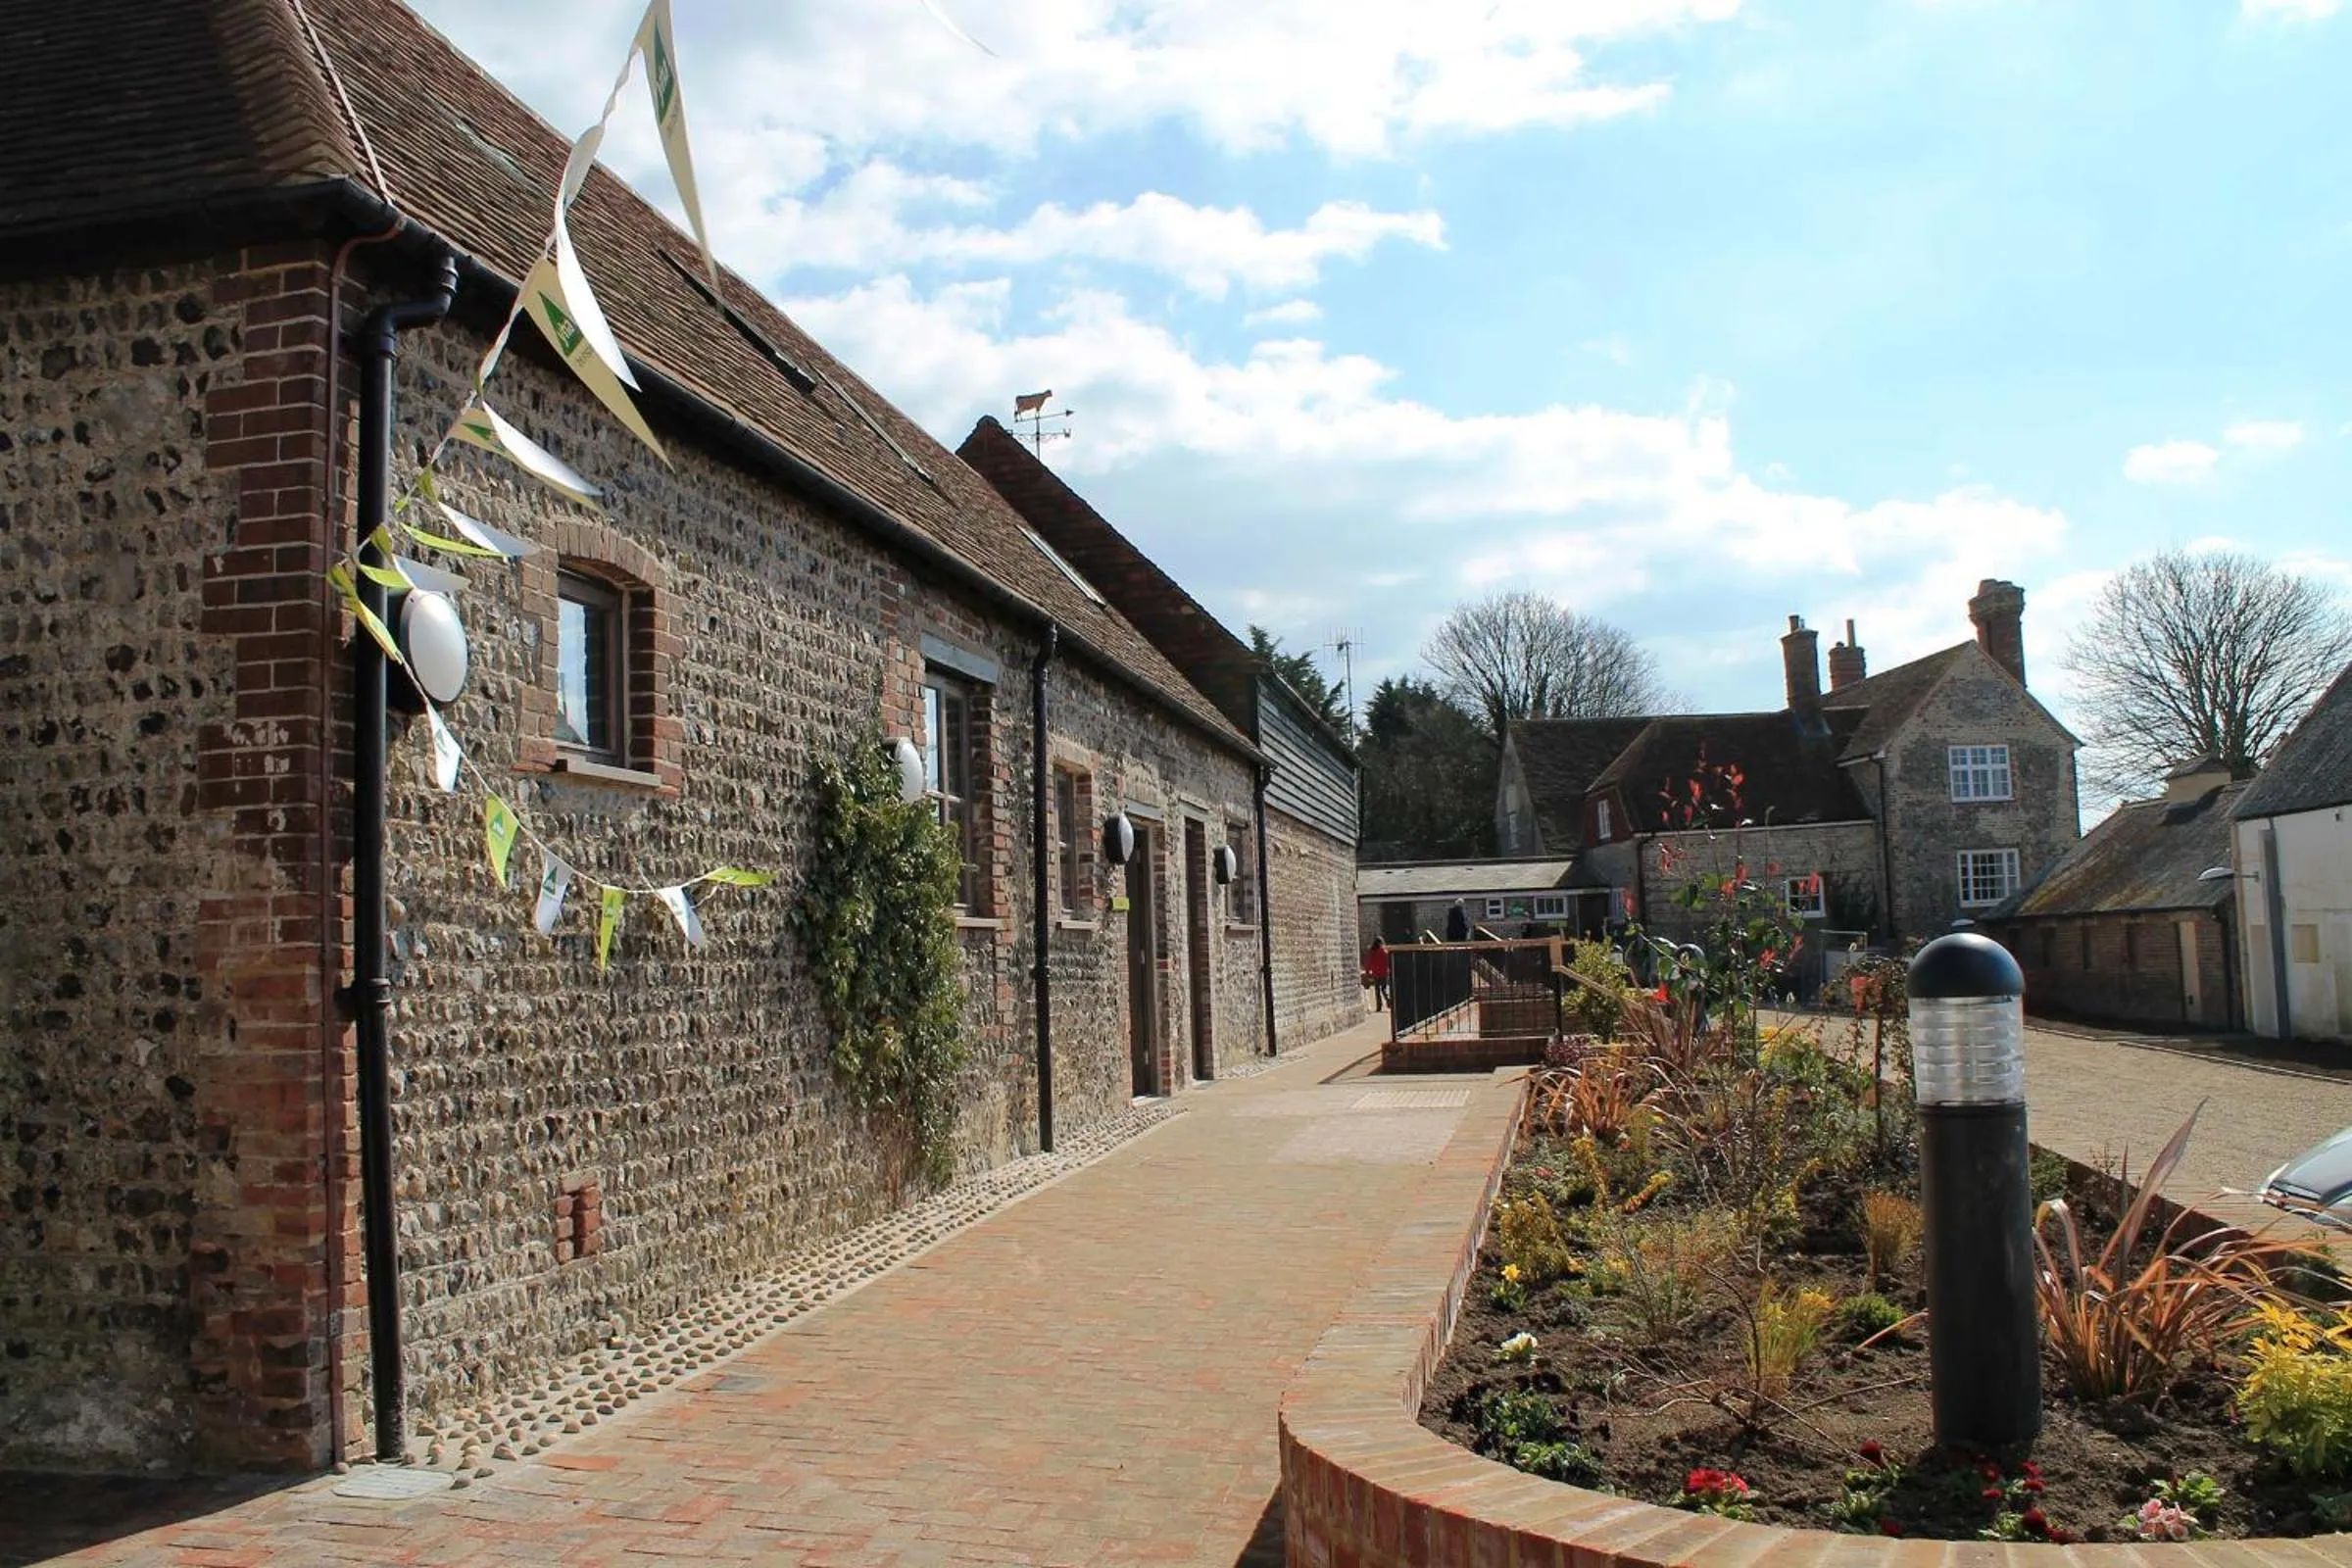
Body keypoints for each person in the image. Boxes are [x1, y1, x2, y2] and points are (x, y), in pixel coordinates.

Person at [1362, 937, 1391, 1011]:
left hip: (1376, 973)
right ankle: (1388, 1000)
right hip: (1383, 972)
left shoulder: (1372, 951)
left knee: (1377, 990)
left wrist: (1367, 972)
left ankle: (1379, 1006)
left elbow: (1368, 962)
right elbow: (1388, 962)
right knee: (1384, 988)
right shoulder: (1384, 951)